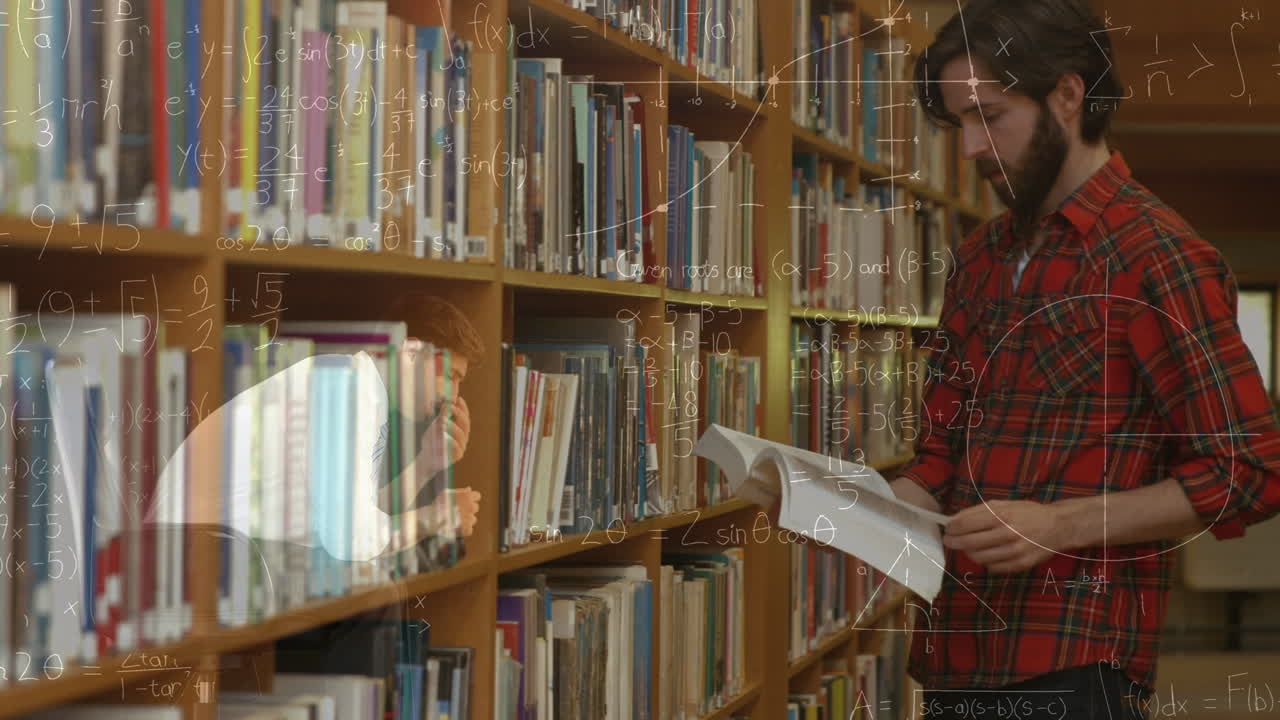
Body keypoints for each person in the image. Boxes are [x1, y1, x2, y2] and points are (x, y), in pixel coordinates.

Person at [877, 1, 1280, 718]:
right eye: (958, 123)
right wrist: (877, 507)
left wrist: (1059, 525)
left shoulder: (1159, 257)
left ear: (1067, 94)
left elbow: (1248, 469)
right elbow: (941, 450)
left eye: (989, 116)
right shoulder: (978, 260)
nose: (969, 148)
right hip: (952, 650)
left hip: (1073, 665)